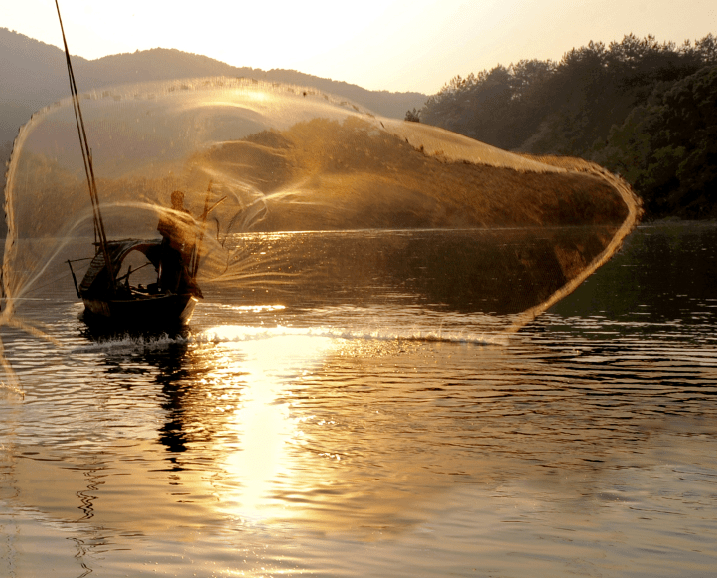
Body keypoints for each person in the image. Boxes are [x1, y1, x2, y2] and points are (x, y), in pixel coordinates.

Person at [157, 190, 193, 294]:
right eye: (176, 199)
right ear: (172, 200)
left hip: (182, 247)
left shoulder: (186, 214)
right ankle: (167, 291)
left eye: (180, 199)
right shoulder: (167, 213)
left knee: (181, 269)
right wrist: (172, 237)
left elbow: (192, 230)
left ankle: (180, 290)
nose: (178, 201)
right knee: (168, 269)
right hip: (169, 247)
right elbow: (160, 229)